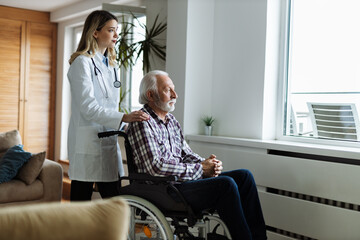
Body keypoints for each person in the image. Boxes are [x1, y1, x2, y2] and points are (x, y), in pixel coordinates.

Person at [126, 70, 267, 240]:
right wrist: (201, 169)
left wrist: (209, 165)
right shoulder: (142, 122)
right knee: (226, 185)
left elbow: (187, 154)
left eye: (174, 89)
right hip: (163, 189)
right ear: (150, 94)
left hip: (181, 183)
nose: (175, 95)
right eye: (167, 90)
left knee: (244, 176)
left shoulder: (171, 121)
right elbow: (156, 167)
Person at [67, 10, 149, 201]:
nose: (116, 35)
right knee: (81, 204)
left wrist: (125, 124)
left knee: (114, 201)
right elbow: (88, 106)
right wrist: (123, 117)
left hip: (108, 142)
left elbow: (109, 104)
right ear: (95, 32)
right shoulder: (82, 63)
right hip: (88, 142)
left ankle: (110, 232)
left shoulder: (111, 65)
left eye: (116, 30)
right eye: (111, 30)